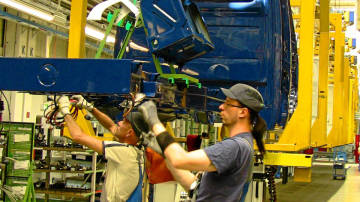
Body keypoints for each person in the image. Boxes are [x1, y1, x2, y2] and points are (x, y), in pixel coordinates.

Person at [138, 83, 267, 202]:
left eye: (228, 104)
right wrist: (166, 154)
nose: (221, 106)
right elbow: (194, 187)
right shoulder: (241, 145)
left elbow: (180, 159)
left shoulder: (235, 147)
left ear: (243, 112)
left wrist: (154, 120)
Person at [56, 95, 149, 202]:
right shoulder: (137, 151)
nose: (119, 122)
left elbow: (78, 136)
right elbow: (111, 127)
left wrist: (65, 111)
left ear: (129, 133)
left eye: (124, 122)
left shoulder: (123, 151)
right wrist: (90, 108)